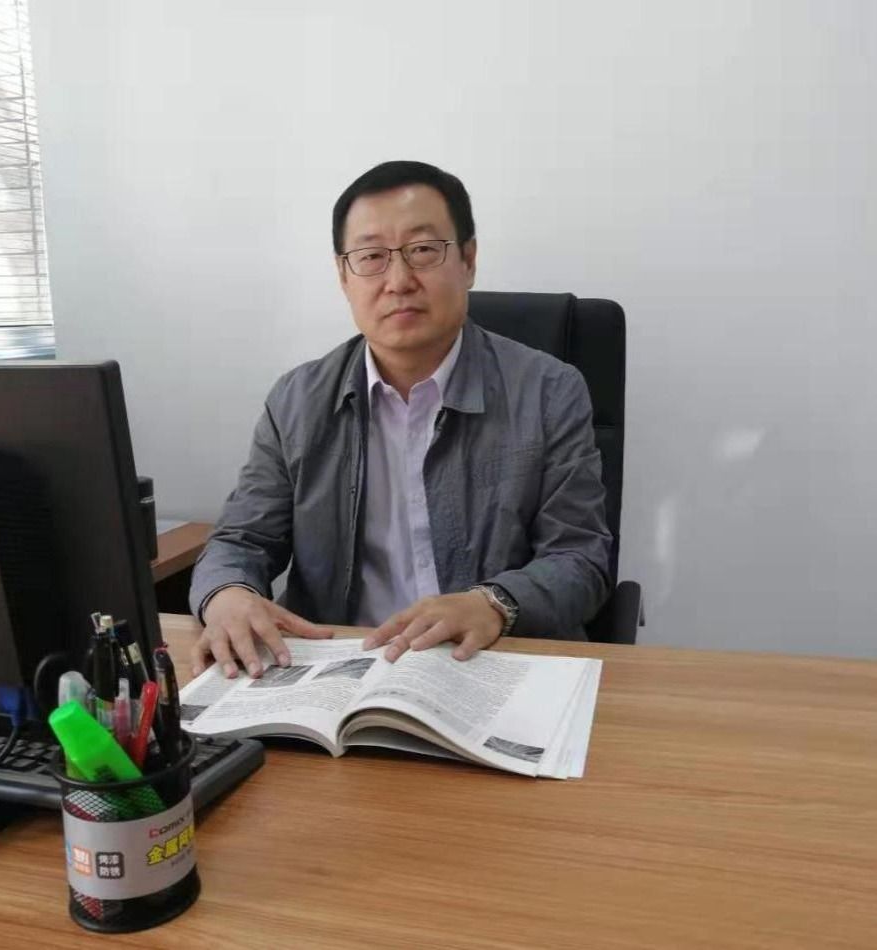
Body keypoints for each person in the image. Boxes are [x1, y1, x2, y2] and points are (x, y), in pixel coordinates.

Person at [189, 160, 611, 679]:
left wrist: (494, 602)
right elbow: (241, 540)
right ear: (344, 276)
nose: (398, 281)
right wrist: (227, 594)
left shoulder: (549, 391)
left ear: (468, 261)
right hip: (342, 673)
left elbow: (580, 558)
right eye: (371, 257)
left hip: (490, 664)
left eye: (423, 250)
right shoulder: (296, 401)